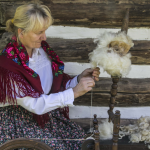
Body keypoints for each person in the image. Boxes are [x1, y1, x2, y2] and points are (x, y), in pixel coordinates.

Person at [0, 3, 100, 150]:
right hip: (18, 123)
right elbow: (36, 105)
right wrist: (75, 92)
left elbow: (53, 86)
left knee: (78, 139)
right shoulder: (8, 66)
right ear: (21, 32)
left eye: (45, 31)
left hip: (43, 116)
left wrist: (78, 80)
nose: (44, 37)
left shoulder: (42, 51)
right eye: (39, 32)